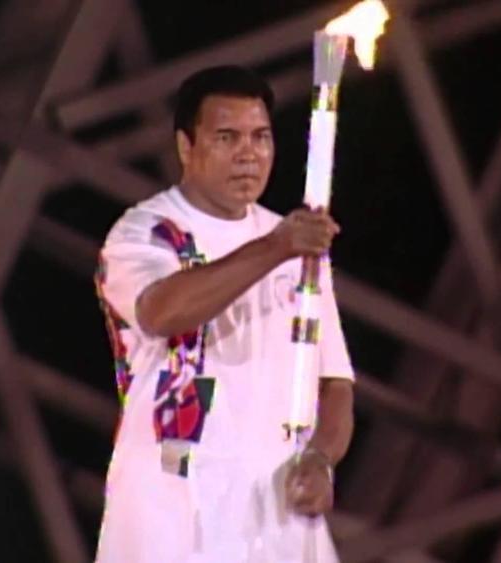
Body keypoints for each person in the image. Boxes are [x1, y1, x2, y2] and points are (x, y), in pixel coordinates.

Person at [94, 65, 355, 562]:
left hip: (276, 512)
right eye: (227, 137)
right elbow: (162, 311)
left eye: (260, 137)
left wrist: (322, 459)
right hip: (172, 512)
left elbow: (335, 381)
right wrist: (273, 249)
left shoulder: (298, 243)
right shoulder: (146, 232)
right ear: (186, 148)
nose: (248, 155)